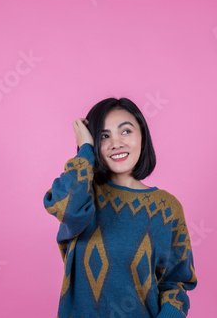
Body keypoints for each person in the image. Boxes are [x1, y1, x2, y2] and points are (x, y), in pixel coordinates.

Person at [43, 97, 197, 317]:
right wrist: (85, 149)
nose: (116, 143)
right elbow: (65, 206)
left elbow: (176, 283)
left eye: (126, 131)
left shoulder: (166, 208)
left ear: (142, 136)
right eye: (104, 136)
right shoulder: (84, 196)